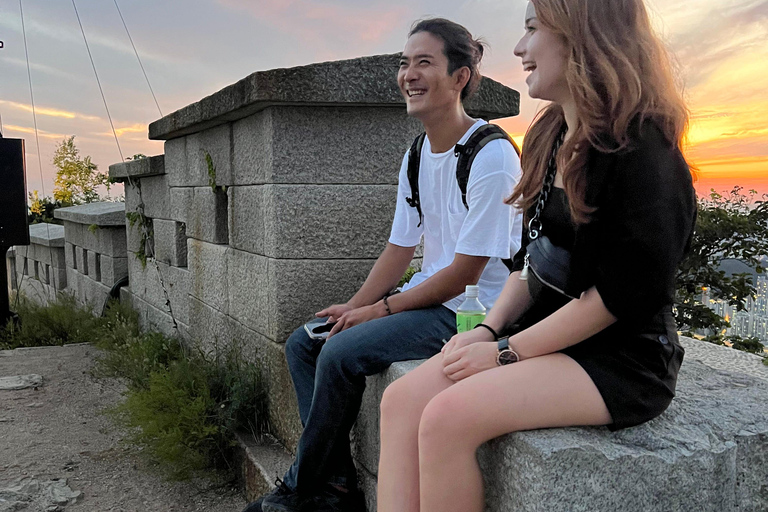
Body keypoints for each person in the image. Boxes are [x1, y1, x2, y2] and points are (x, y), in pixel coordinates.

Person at [376, 1, 698, 511]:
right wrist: (486, 330)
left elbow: (616, 298)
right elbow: (532, 262)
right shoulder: (551, 136)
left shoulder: (644, 156)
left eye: (531, 29)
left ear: (582, 35)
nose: (519, 48)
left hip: (621, 357)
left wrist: (506, 352)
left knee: (446, 417)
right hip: (541, 336)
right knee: (401, 400)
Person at [244, 18, 523, 512]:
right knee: (305, 343)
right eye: (403, 62)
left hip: (475, 313)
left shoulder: (491, 154)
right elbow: (399, 248)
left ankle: (299, 489)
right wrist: (352, 306)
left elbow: (465, 273)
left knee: (340, 353)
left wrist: (379, 312)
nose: (408, 75)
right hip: (432, 298)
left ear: (460, 78)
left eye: (424, 62)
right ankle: (335, 486)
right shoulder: (417, 154)